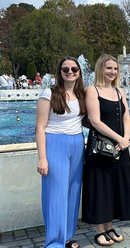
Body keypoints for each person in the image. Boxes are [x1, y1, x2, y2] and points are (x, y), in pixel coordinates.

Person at [82, 54, 130, 246]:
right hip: (100, 147)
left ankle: (110, 227)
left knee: (114, 185)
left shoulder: (119, 91)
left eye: (115, 68)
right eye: (108, 68)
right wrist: (118, 139)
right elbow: (95, 121)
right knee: (101, 186)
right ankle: (99, 229)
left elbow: (126, 117)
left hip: (119, 146)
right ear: (100, 69)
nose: (112, 72)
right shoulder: (92, 90)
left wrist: (125, 139)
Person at [35, 56, 86, 248]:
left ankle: (66, 236)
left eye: (74, 68)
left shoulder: (81, 94)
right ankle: (54, 242)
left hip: (77, 143)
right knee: (56, 193)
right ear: (60, 72)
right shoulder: (49, 93)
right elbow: (40, 128)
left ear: (79, 71)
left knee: (73, 191)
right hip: (55, 142)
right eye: (66, 69)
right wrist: (42, 158)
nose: (70, 72)